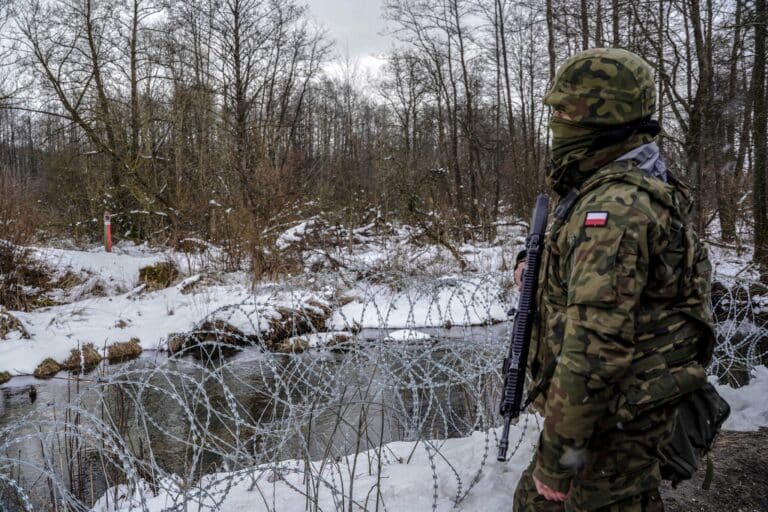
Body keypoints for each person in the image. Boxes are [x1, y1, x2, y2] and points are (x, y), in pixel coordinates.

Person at [512, 48, 716, 511]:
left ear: (601, 116)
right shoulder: (626, 179)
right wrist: (536, 267)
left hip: (615, 416)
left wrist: (558, 457)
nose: (556, 120)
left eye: (564, 110)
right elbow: (621, 284)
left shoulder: (614, 208)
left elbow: (597, 344)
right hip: (625, 406)